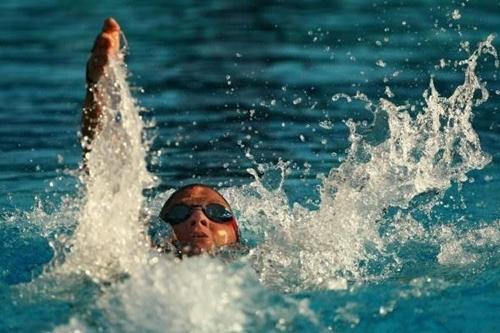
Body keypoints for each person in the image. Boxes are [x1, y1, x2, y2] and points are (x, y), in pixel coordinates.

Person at [82, 18, 240, 256]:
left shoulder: (274, 270)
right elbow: (101, 171)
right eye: (179, 214)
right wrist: (96, 86)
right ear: (160, 235)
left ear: (236, 230)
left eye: (217, 212)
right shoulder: (140, 268)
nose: (198, 218)